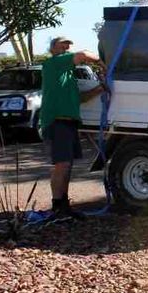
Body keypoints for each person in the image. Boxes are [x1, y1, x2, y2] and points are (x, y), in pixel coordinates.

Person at [41, 37, 106, 219]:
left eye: (68, 47)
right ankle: (57, 207)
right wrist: (102, 63)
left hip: (68, 123)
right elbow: (83, 54)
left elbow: (81, 99)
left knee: (67, 166)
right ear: (52, 49)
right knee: (61, 165)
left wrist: (101, 88)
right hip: (57, 122)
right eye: (62, 45)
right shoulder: (53, 63)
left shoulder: (67, 76)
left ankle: (64, 205)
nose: (66, 49)